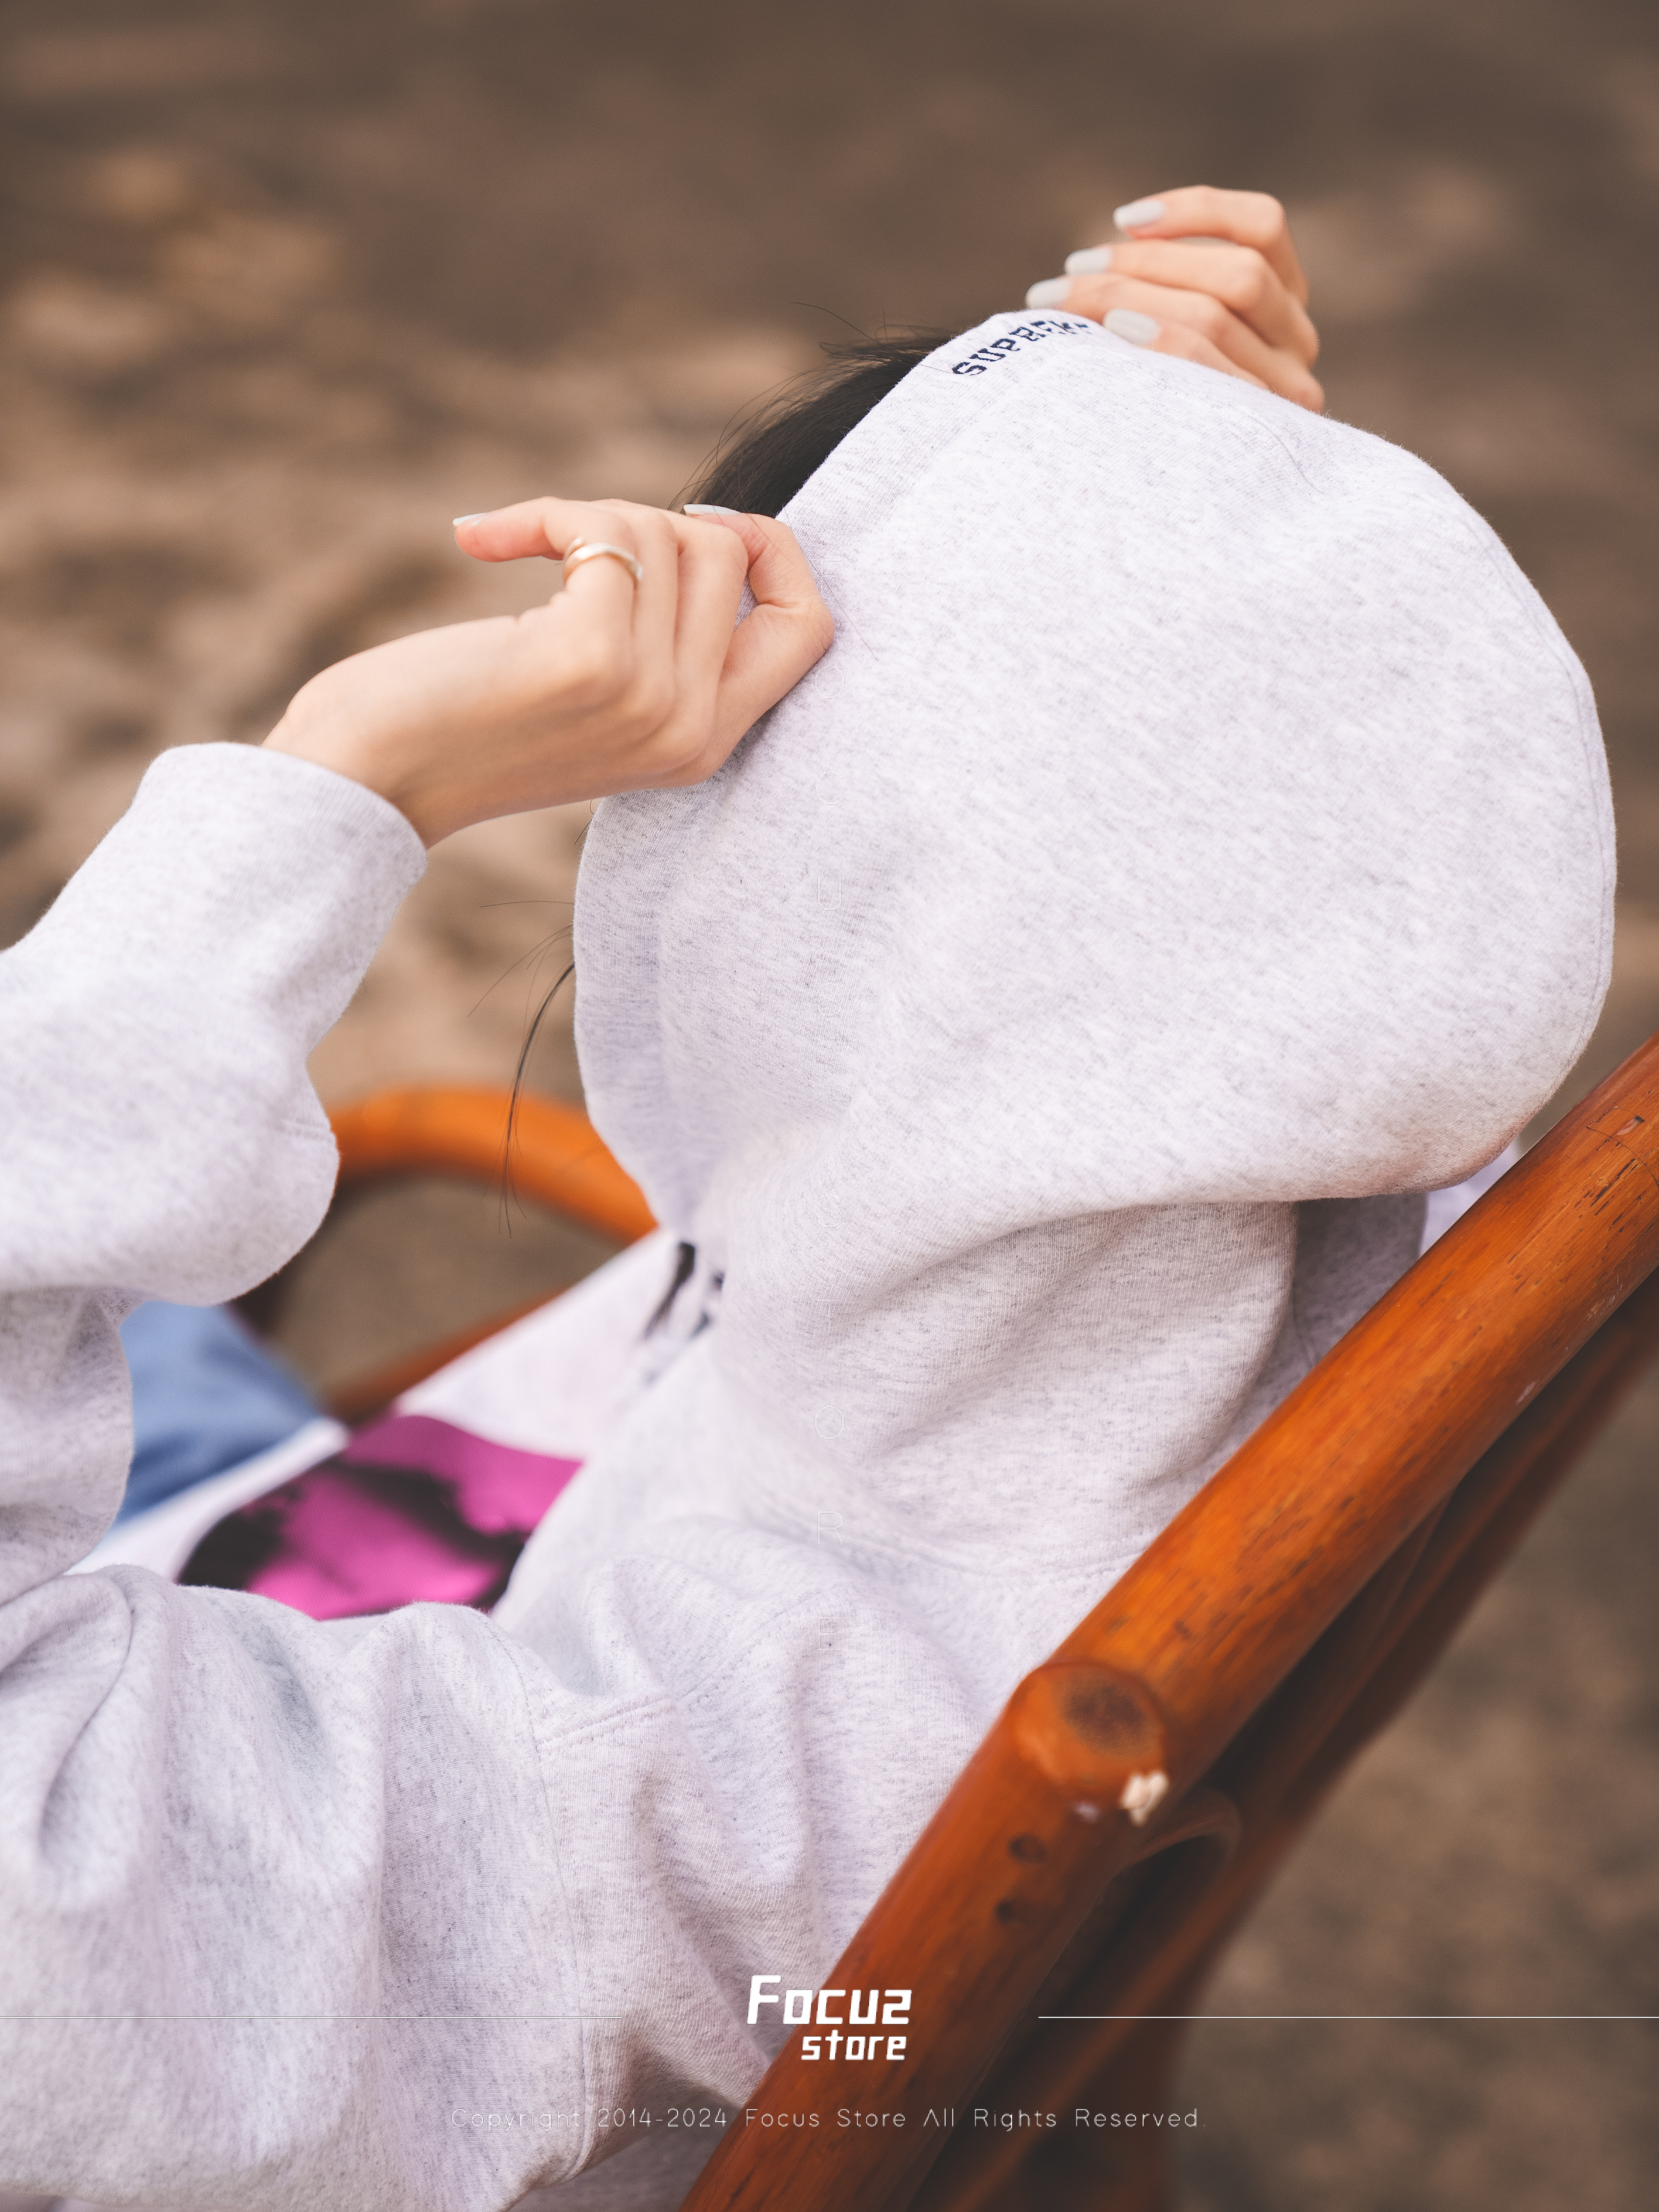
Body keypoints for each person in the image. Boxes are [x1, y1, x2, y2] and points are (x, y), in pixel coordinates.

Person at [0, 188, 1611, 2212]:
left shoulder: (691, 1801)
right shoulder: (1278, 1190)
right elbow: (1249, 826)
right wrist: (1207, 498)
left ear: (787, 925)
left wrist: (344, 783)